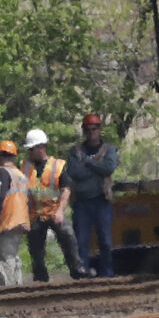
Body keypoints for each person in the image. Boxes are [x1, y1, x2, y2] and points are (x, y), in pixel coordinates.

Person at [20, 127, 84, 282]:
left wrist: (61, 211)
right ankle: (41, 278)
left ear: (41, 147)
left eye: (31, 149)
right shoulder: (25, 167)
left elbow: (66, 189)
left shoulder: (58, 165)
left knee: (68, 236)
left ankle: (77, 271)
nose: (29, 152)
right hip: (35, 213)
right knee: (36, 249)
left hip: (54, 211)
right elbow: (22, 193)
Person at [65, 111, 121, 279]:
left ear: (99, 129)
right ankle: (82, 274)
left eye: (94, 128)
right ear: (84, 130)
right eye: (88, 129)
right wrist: (97, 167)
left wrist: (88, 163)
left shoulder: (108, 149)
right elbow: (75, 173)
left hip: (102, 201)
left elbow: (108, 168)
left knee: (105, 240)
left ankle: (107, 273)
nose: (91, 132)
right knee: (81, 241)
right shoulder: (76, 151)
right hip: (82, 203)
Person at [0, 140, 32, 288]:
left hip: (9, 220)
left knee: (5, 257)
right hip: (22, 221)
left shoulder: (3, 173)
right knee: (13, 256)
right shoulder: (20, 175)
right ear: (14, 157)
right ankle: (18, 286)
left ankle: (9, 292)